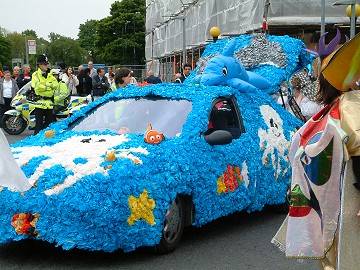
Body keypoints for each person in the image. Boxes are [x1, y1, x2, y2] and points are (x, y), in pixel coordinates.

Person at [272, 32, 360, 270]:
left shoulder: (332, 108)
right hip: (348, 194)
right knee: (349, 253)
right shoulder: (350, 105)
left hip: (328, 198)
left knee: (333, 253)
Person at [31, 54, 58, 135]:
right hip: (39, 103)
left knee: (49, 126)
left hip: (49, 104)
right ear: (40, 65)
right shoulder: (35, 75)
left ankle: (46, 143)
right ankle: (36, 143)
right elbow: (37, 87)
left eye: (47, 64)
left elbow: (56, 85)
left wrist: (44, 85)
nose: (47, 65)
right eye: (45, 64)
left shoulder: (50, 74)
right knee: (38, 126)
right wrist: (49, 86)